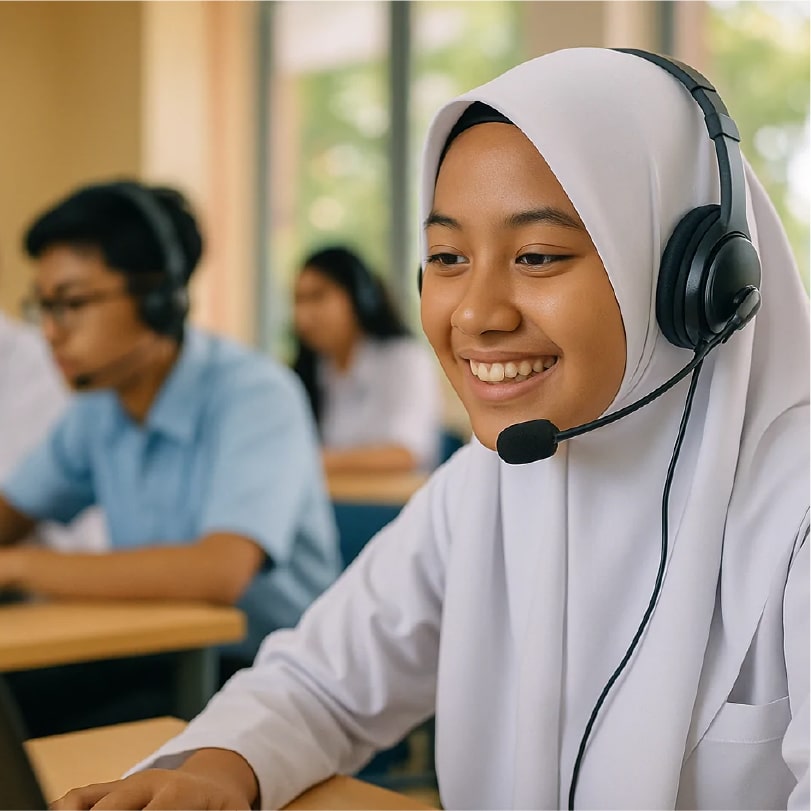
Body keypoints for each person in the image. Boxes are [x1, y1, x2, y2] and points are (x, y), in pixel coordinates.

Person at [53, 47, 808, 811]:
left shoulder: (794, 513)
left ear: (701, 283)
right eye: (446, 256)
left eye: (537, 255)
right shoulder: (485, 486)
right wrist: (219, 769)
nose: (475, 313)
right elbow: (318, 682)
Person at [0, 180, 340, 734]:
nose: (50, 332)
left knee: (54, 742)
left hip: (278, 674)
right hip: (166, 656)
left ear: (160, 298)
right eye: (42, 307)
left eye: (72, 303)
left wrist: (18, 568)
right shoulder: (98, 407)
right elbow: (10, 512)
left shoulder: (254, 393)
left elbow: (219, 571)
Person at [292, 245, 443, 474]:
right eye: (298, 301)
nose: (303, 316)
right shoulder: (314, 369)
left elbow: (406, 453)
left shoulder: (404, 360)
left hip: (394, 502)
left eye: (317, 297)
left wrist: (311, 460)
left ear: (358, 296)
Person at [0, 309, 107, 555]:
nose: (52, 331)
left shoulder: (60, 373)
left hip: (65, 581)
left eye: (73, 303)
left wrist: (13, 569)